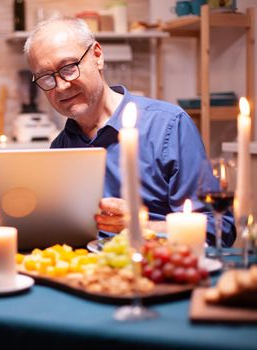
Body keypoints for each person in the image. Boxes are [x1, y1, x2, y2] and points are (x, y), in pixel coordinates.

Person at [23, 17, 235, 246]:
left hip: (157, 270)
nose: (61, 86)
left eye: (69, 68)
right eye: (46, 78)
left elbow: (218, 227)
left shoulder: (169, 126)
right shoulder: (60, 148)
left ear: (97, 56)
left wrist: (143, 226)